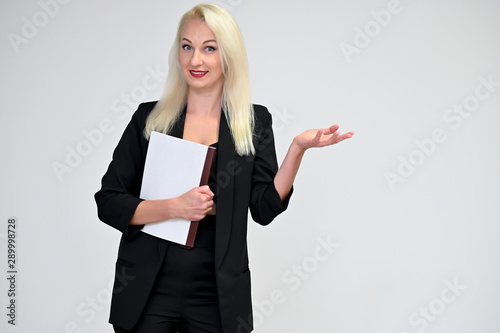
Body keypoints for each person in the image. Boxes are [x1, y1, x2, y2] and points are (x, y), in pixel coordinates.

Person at [95, 3, 353, 333]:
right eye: (187, 47)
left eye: (209, 49)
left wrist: (296, 150)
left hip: (216, 292)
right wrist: (175, 207)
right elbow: (109, 201)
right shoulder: (148, 120)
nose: (195, 60)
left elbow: (263, 208)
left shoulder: (254, 122)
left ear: (228, 55)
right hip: (147, 287)